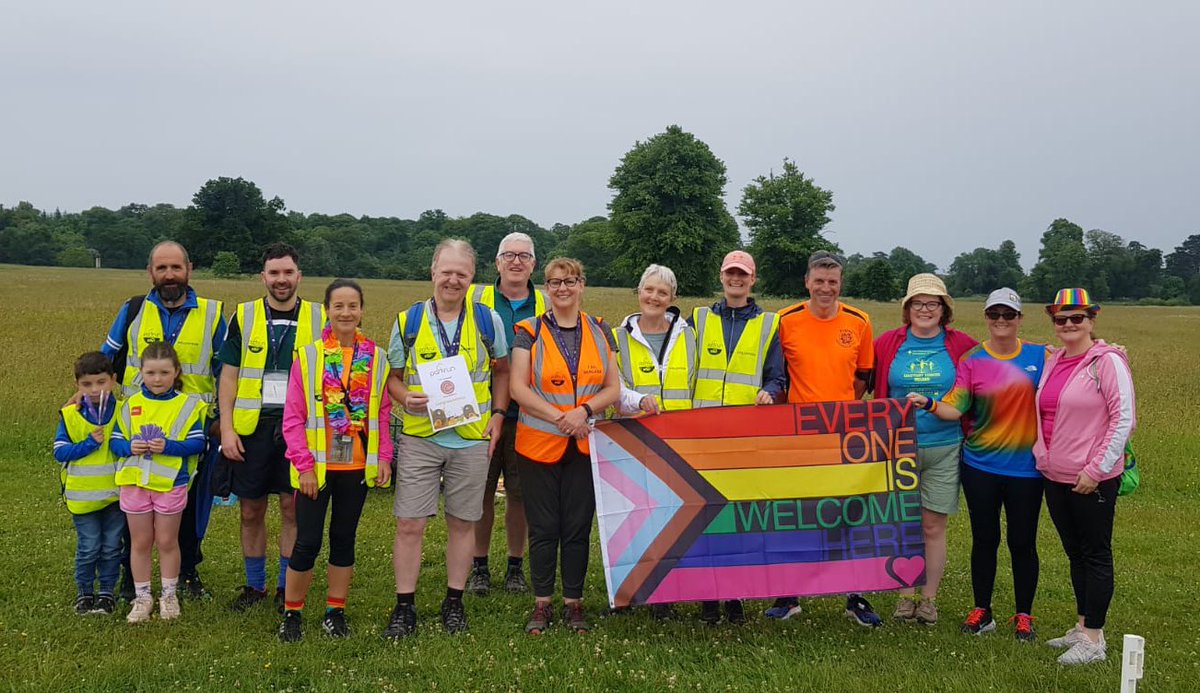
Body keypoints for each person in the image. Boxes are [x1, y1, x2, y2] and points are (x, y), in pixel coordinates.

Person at [385, 239, 510, 638]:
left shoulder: (488, 320)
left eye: (462, 273)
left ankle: (453, 601)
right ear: (432, 271)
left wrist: (498, 415)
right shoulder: (408, 321)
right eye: (446, 271)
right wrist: (406, 397)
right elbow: (393, 378)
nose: (453, 280)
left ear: (472, 278)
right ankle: (405, 605)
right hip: (422, 437)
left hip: (471, 438)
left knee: (463, 523)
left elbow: (503, 371)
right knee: (409, 524)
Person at [907, 288, 1047, 641]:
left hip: (1026, 469)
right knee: (984, 539)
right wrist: (927, 403)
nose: (1001, 321)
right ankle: (982, 610)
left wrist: (1107, 349)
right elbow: (956, 407)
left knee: (1022, 542)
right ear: (986, 317)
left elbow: (1079, 359)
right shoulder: (972, 359)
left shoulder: (1042, 356)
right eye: (994, 314)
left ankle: (1024, 614)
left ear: (1019, 318)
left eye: (1008, 315)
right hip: (980, 465)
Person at [102, 241, 225, 600]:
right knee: (133, 502)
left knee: (188, 505)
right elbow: (106, 360)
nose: (169, 275)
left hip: (191, 430)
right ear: (150, 272)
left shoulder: (213, 314)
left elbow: (226, 372)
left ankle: (187, 573)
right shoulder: (133, 310)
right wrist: (86, 396)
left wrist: (222, 420)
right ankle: (131, 578)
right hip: (138, 431)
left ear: (190, 268)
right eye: (161, 268)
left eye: (176, 267)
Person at [510, 258, 621, 635]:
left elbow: (612, 387)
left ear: (581, 285)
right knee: (543, 527)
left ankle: (574, 602)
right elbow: (518, 388)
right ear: (546, 288)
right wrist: (562, 417)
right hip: (539, 444)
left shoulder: (601, 329)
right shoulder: (528, 330)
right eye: (555, 282)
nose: (562, 288)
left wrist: (585, 411)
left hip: (585, 445)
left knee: (577, 527)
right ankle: (542, 603)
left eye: (569, 281)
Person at [277, 279, 392, 642]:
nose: (346, 312)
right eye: (338, 306)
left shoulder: (377, 357)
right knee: (307, 542)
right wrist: (304, 466)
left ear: (362, 310)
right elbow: (293, 418)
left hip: (356, 466)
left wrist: (384, 457)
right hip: (316, 470)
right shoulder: (308, 356)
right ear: (327, 310)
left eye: (353, 306)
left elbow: (383, 413)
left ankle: (334, 611)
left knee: (344, 539)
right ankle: (292, 614)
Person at [216, 243, 326, 613]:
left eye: (288, 272)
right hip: (252, 428)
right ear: (263, 277)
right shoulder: (243, 316)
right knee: (250, 510)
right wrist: (227, 430)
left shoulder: (319, 316)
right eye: (274, 273)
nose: (281, 280)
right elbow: (228, 377)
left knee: (291, 507)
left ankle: (284, 586)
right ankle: (254, 586)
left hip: (300, 428)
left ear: (299, 276)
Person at [772, 250, 880, 626]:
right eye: (819, 281)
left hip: (844, 433)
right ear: (807, 282)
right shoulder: (785, 320)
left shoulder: (860, 321)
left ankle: (856, 595)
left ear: (840, 284)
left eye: (832, 282)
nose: (825, 288)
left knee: (848, 512)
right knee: (799, 513)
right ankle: (789, 594)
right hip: (798, 434)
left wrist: (840, 410)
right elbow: (778, 375)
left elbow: (864, 376)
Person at [1034, 288, 1135, 665]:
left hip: (1092, 476)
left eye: (1077, 318)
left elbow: (1123, 419)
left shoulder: (1107, 362)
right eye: (1061, 319)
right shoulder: (1053, 359)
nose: (1069, 325)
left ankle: (1094, 639)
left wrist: (1096, 469)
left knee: (1095, 554)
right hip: (1055, 474)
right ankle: (1082, 625)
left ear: (1092, 319)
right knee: (1074, 552)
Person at [874, 274, 978, 626]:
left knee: (934, 525)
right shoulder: (888, 343)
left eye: (932, 303)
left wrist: (1051, 352)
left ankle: (928, 599)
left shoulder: (961, 343)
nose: (925, 309)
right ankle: (905, 596)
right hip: (897, 445)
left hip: (945, 445)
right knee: (902, 521)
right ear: (907, 308)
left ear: (944, 309)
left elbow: (1001, 356)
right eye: (918, 303)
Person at [689, 250, 785, 625]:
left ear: (752, 280)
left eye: (742, 274)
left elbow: (778, 375)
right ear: (721, 276)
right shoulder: (696, 318)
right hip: (701, 435)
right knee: (703, 515)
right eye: (731, 273)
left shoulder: (768, 324)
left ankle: (735, 596)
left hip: (745, 436)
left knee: (739, 519)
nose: (736, 279)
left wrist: (771, 392)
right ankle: (706, 598)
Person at [466, 232, 547, 596]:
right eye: (509, 255)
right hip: (480, 412)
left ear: (534, 264)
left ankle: (515, 567)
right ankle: (479, 567)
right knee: (479, 493)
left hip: (531, 414)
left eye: (524, 256)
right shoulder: (474, 299)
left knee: (520, 495)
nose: (516, 262)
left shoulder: (546, 301)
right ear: (496, 262)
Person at [109, 342, 209, 623]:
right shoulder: (130, 404)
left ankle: (169, 594)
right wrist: (130, 445)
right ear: (141, 372)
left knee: (167, 541)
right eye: (151, 373)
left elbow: (198, 442)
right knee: (140, 542)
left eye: (164, 373)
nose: (157, 379)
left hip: (171, 484)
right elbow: (115, 441)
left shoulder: (189, 405)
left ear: (176, 372)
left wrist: (169, 446)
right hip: (135, 483)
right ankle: (142, 597)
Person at [53, 352, 124, 616]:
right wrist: (88, 444)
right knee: (89, 546)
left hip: (116, 495)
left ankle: (106, 592)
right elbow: (60, 452)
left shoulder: (124, 410)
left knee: (111, 546)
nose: (95, 390)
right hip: (82, 498)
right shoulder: (71, 415)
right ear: (77, 385)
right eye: (87, 384)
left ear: (113, 380)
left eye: (101, 382)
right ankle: (84, 593)